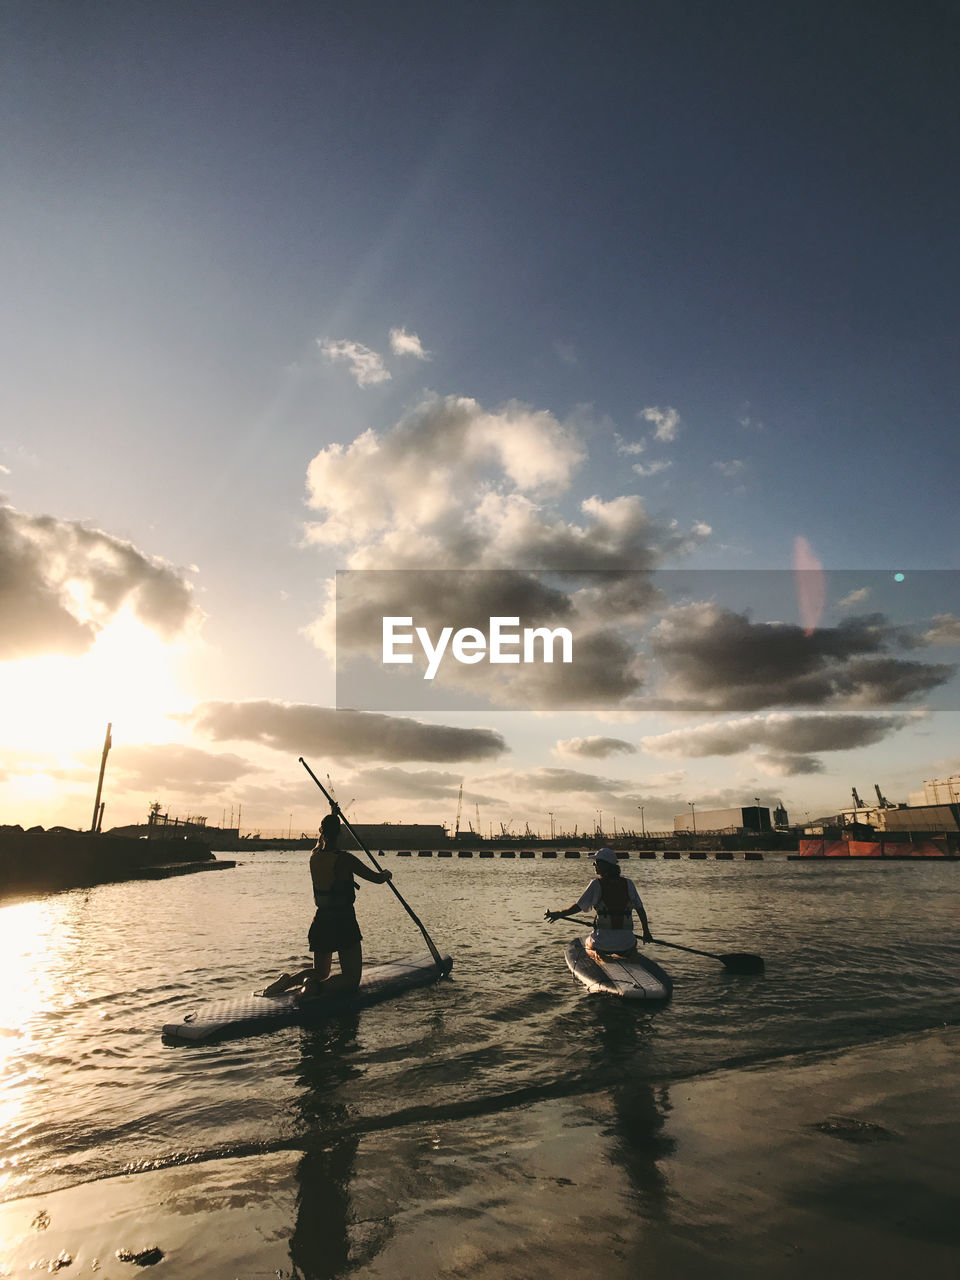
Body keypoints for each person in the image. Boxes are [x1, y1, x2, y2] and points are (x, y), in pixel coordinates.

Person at [262, 812, 393, 999]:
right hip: (343, 921)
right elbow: (377, 879)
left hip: (321, 921)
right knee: (352, 979)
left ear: (321, 832)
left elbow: (323, 839)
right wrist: (387, 874)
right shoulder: (345, 859)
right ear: (340, 834)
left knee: (322, 972)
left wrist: (333, 812)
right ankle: (315, 989)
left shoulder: (314, 856)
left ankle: (288, 981)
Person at [545, 847, 653, 955]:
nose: (594, 865)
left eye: (597, 862)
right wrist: (646, 932)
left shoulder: (596, 884)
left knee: (587, 942)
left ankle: (597, 956)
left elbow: (578, 907)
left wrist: (559, 914)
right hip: (627, 943)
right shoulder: (629, 883)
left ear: (606, 865)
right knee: (629, 945)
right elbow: (640, 910)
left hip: (602, 944)